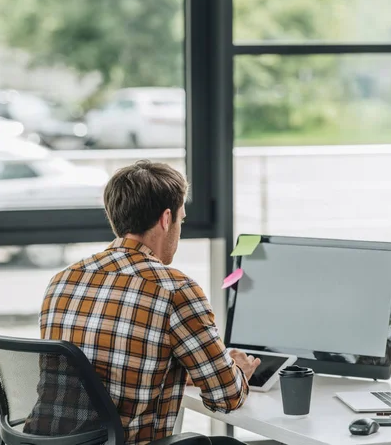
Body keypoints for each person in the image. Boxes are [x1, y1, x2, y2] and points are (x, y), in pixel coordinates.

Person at [35, 160, 260, 445]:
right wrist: (239, 369)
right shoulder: (175, 289)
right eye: (182, 219)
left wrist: (180, 370)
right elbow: (226, 397)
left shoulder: (62, 280)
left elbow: (97, 367)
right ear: (167, 219)